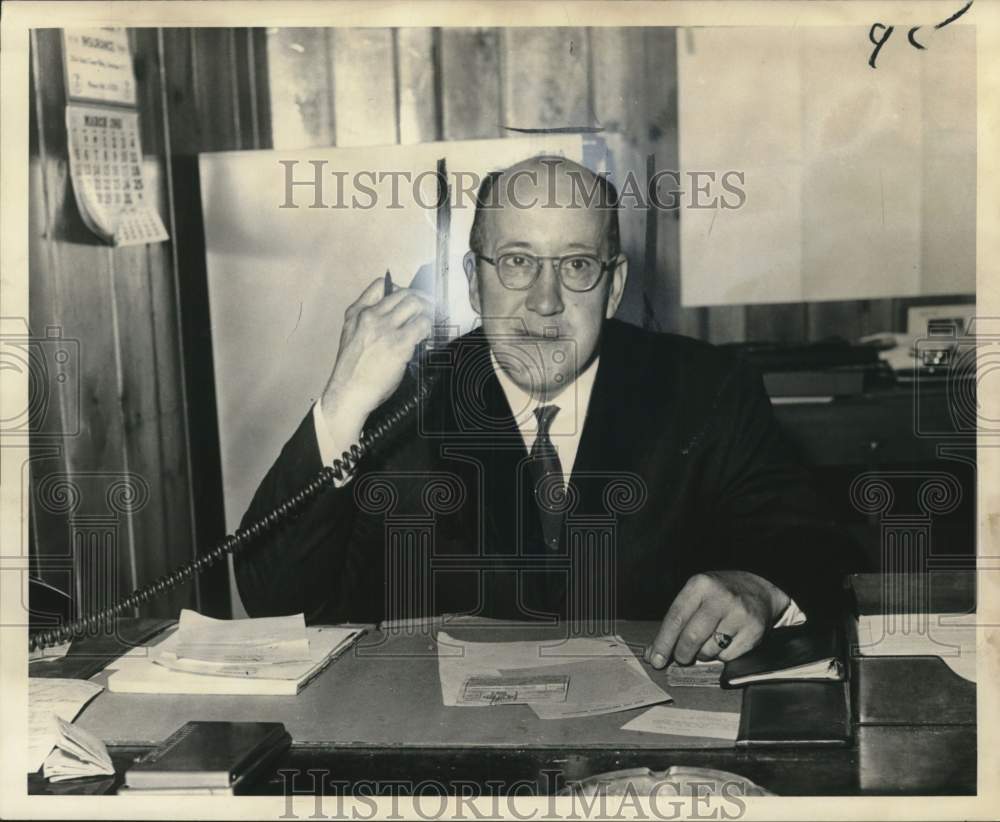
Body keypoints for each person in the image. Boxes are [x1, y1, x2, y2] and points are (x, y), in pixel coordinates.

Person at [235, 156, 855, 667]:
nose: (545, 302)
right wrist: (341, 404)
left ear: (613, 288)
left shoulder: (707, 389)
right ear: (474, 285)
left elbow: (812, 542)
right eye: (517, 262)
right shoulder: (403, 405)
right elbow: (274, 605)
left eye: (576, 265)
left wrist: (761, 586)